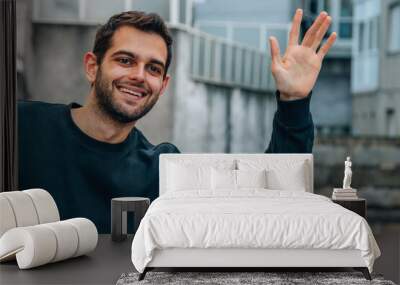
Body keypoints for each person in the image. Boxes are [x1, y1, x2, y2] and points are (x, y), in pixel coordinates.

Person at [18, 10, 336, 233]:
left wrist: (293, 101)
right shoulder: (22, 127)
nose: (139, 76)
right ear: (92, 67)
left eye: (153, 68)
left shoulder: (162, 170)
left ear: (163, 85)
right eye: (125, 60)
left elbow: (266, 196)